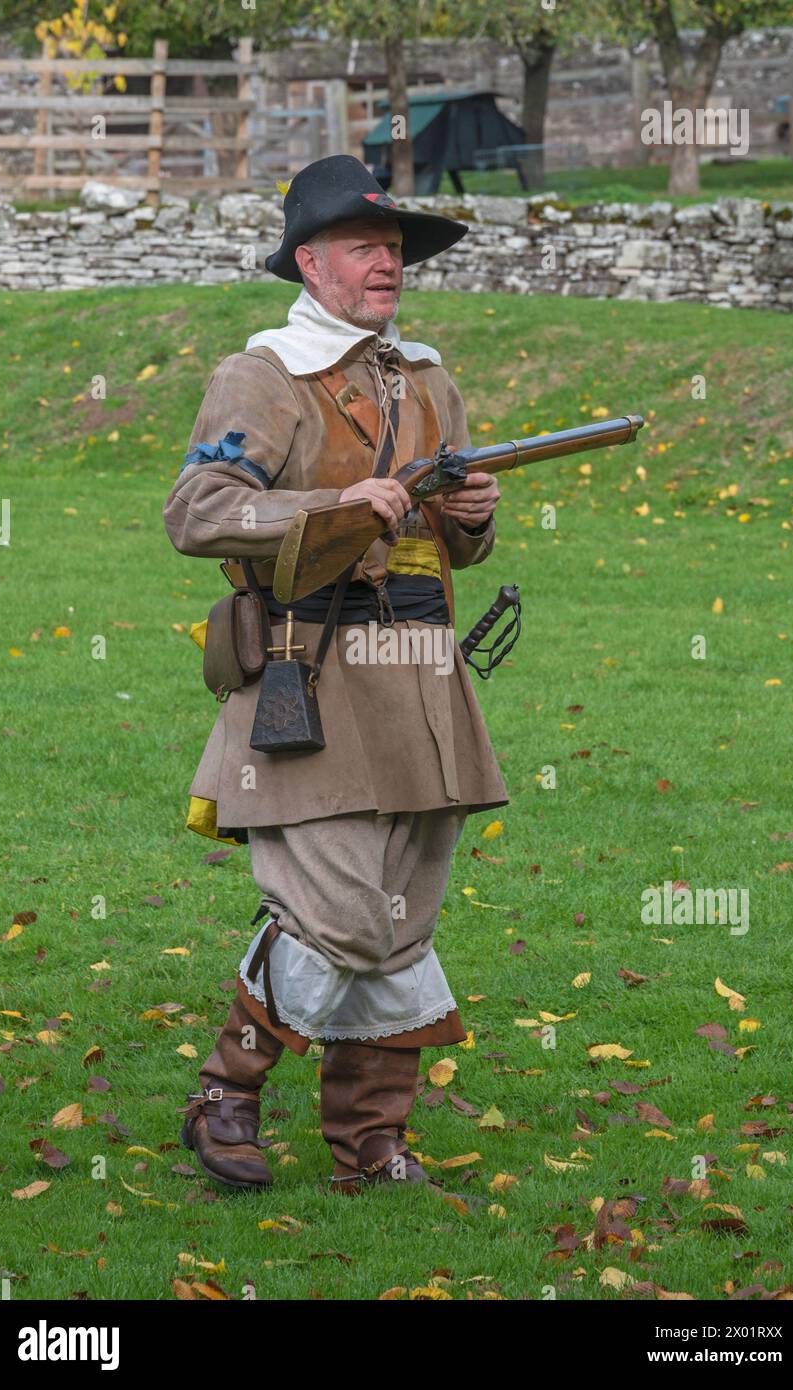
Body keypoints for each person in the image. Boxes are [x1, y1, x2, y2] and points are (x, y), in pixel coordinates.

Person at [163, 154, 509, 1193]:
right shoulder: (263, 373)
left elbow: (447, 542)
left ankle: (369, 1143)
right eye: (366, 247)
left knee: (405, 910)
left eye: (396, 249)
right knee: (340, 913)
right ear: (310, 263)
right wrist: (336, 506)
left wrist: (471, 523)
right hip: (311, 673)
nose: (388, 264)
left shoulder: (429, 373)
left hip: (424, 676)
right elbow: (199, 511)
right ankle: (227, 1092)